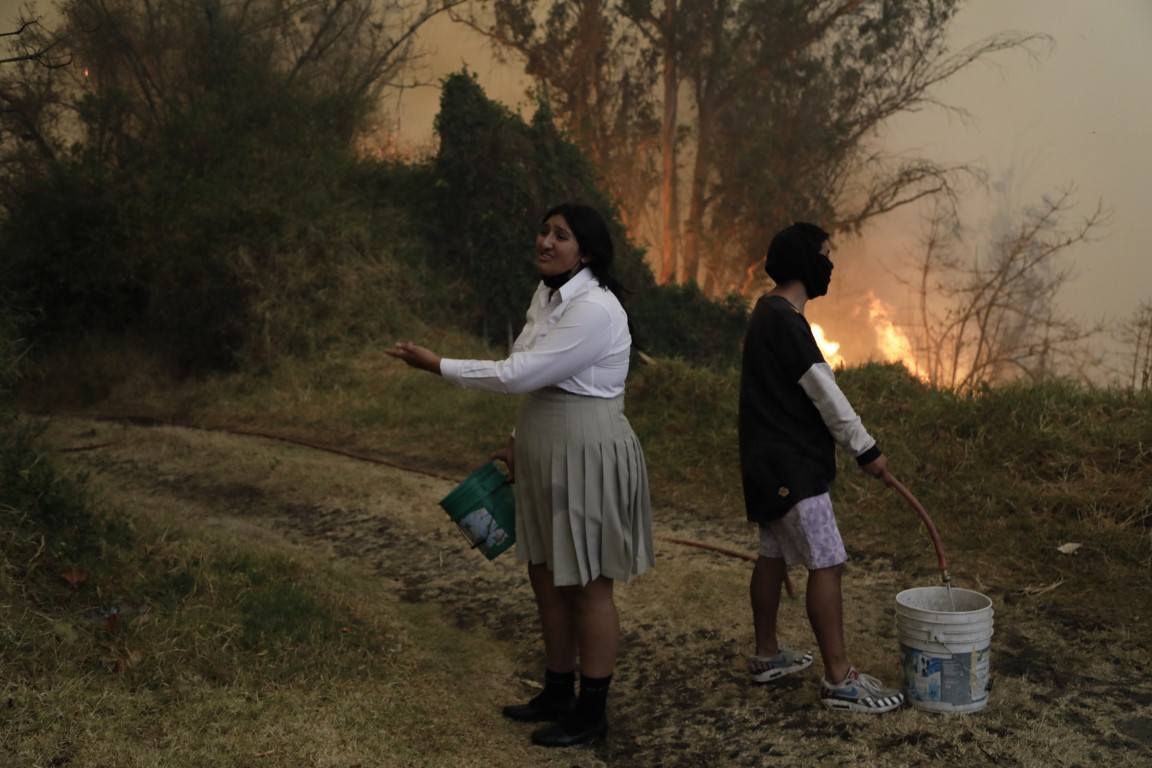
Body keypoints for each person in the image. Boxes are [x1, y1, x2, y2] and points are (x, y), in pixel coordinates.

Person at [385, 202, 654, 747]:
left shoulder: (596, 310)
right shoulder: (547, 295)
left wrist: (439, 365)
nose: (546, 242)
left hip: (586, 446)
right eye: (544, 231)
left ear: (588, 252)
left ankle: (591, 712)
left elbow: (517, 373)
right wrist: (515, 439)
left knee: (587, 583)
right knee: (545, 573)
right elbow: (536, 375)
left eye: (561, 235)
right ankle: (557, 690)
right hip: (542, 440)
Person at [737, 221, 904, 714]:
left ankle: (767, 655)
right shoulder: (787, 322)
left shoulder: (765, 313)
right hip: (794, 467)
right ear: (806, 263)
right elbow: (825, 393)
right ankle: (840, 679)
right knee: (826, 561)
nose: (830, 265)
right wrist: (867, 450)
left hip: (766, 464)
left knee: (772, 554)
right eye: (825, 256)